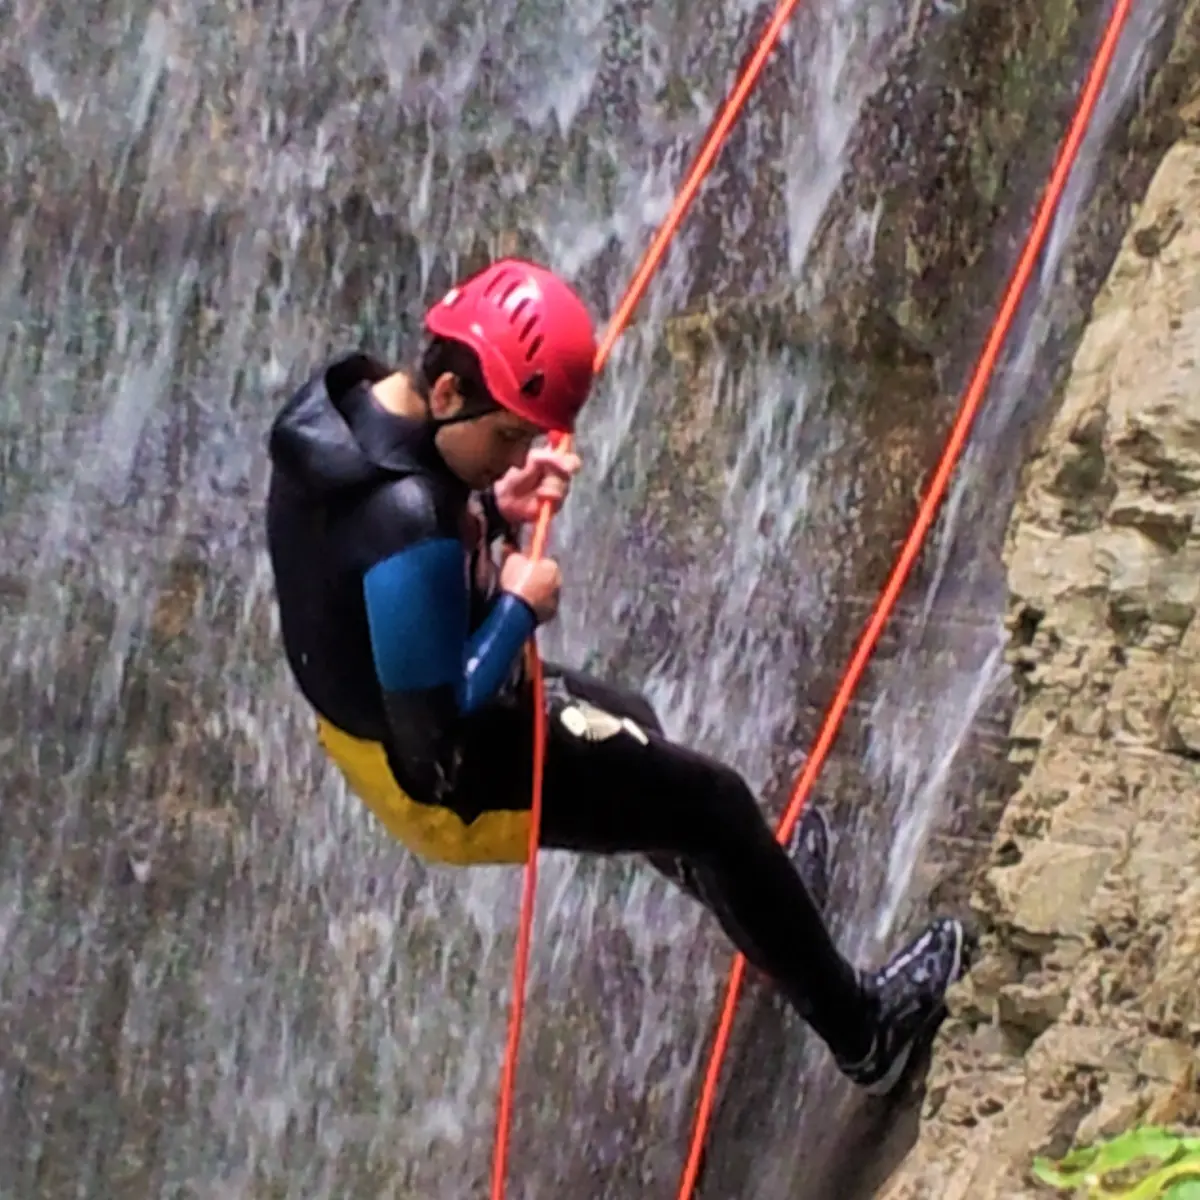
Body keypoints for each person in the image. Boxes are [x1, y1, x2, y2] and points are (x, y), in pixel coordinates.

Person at [264, 257, 969, 1095]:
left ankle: (762, 906)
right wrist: (518, 608)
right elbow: (437, 730)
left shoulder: (350, 409)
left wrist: (493, 509)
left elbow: (384, 553)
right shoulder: (408, 519)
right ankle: (867, 1037)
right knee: (715, 806)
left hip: (383, 715)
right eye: (510, 438)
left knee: (632, 727)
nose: (516, 455)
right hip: (442, 773)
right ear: (450, 391)